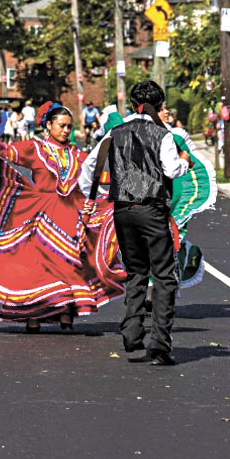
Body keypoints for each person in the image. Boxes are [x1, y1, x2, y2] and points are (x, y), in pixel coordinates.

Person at [0, 101, 126, 332]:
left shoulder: (78, 155)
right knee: (37, 267)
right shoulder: (36, 149)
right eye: (61, 126)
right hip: (40, 214)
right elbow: (9, 152)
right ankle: (32, 315)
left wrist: (125, 177)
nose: (66, 130)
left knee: (70, 263)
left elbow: (98, 177)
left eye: (69, 126)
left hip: (70, 214)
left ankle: (66, 311)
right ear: (49, 126)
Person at [83, 81, 191, 366]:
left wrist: (91, 197)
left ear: (131, 105)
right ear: (160, 106)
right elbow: (172, 170)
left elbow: (90, 168)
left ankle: (132, 330)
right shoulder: (162, 134)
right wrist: (185, 162)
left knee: (135, 271)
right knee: (164, 276)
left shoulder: (114, 132)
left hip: (123, 210)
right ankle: (160, 344)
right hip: (152, 209)